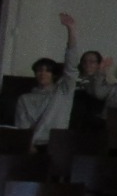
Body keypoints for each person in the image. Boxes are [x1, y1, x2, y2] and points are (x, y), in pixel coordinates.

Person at [14, 12, 79, 149]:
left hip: (57, 145)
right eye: (39, 70)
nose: (43, 73)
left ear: (54, 74)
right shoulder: (25, 99)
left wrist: (71, 29)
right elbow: (22, 127)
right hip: (32, 145)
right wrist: (29, 146)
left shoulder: (63, 91)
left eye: (47, 70)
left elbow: (71, 66)